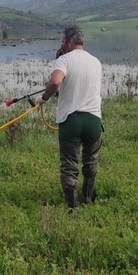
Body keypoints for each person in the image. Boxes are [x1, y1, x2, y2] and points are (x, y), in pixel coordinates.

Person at [35, 25, 103, 210]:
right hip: (94, 121)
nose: (62, 44)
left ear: (70, 41)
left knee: (69, 166)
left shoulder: (64, 60)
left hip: (71, 121)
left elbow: (56, 81)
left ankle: (72, 209)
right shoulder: (96, 61)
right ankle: (87, 199)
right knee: (91, 161)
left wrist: (44, 98)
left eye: (64, 40)